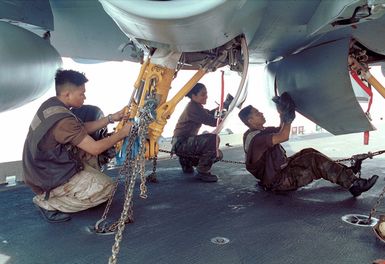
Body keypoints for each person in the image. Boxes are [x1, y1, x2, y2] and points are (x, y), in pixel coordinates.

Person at [22, 69, 132, 223]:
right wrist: (121, 134)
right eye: (81, 93)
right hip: (48, 176)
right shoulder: (63, 121)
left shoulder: (52, 105)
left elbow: (80, 129)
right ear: (67, 94)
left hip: (43, 168)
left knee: (90, 157)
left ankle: (72, 187)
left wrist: (111, 118)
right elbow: (95, 148)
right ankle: (47, 202)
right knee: (108, 188)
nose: (84, 97)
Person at [237, 92, 378, 196]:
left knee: (308, 151)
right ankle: (354, 184)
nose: (261, 113)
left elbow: (281, 129)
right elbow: (284, 136)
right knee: (313, 159)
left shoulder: (255, 132)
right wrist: (288, 116)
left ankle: (346, 174)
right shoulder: (258, 139)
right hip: (279, 181)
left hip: (278, 172)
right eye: (257, 113)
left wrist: (282, 112)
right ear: (250, 121)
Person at [172, 82, 232, 182]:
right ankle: (203, 171)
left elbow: (209, 113)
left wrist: (224, 105)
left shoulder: (195, 106)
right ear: (193, 96)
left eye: (206, 93)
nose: (206, 96)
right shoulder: (193, 108)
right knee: (213, 140)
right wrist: (225, 114)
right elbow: (212, 121)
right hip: (181, 143)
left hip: (180, 144)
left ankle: (186, 161)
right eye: (203, 94)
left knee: (214, 148)